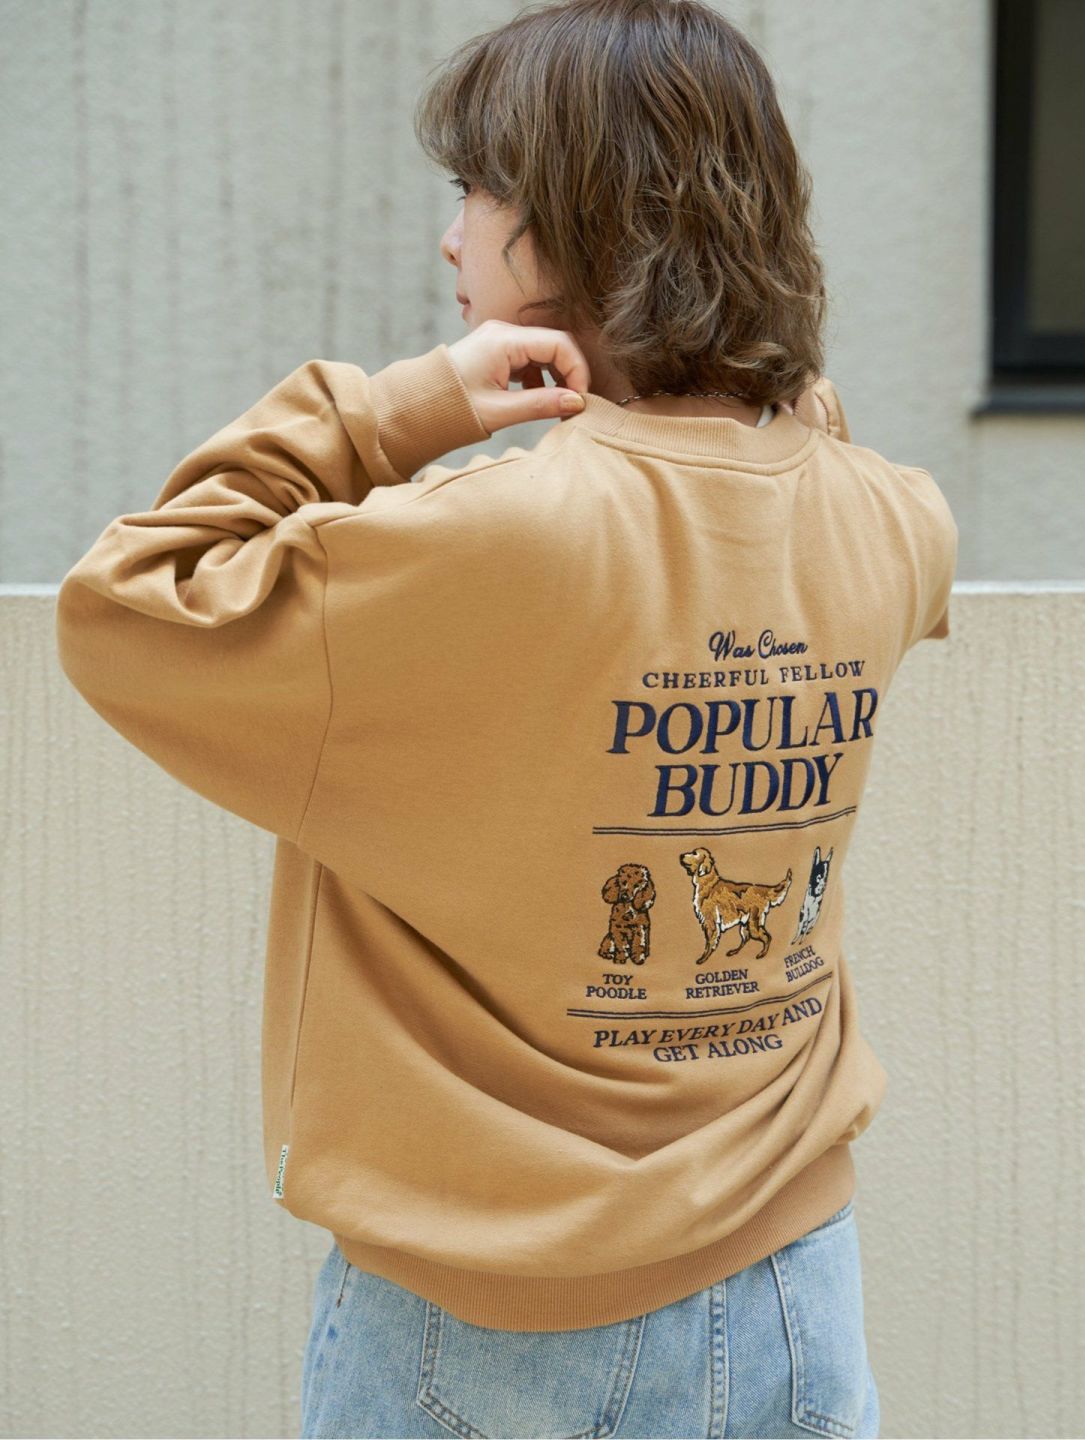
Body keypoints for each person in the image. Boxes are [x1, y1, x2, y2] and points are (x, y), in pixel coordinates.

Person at [55, 1, 957, 1435]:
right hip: (798, 1290)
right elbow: (797, 443)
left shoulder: (487, 539)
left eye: (477, 191)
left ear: (570, 226)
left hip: (490, 1324)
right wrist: (734, 365)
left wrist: (391, 414)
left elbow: (128, 603)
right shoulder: (896, 519)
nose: (450, 239)